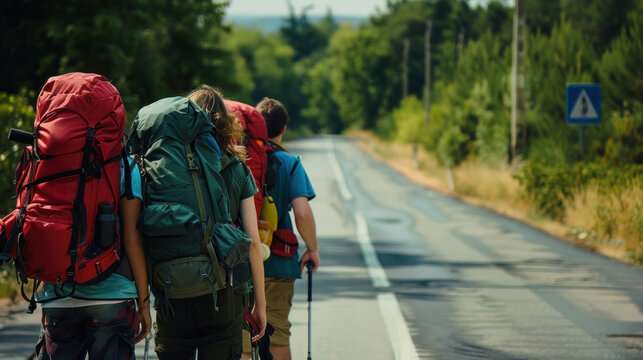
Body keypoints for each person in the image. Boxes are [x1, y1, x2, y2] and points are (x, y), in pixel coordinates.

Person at [169, 86, 266, 356]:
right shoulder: (238, 169)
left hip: (173, 289)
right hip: (226, 291)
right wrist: (261, 305)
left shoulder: (165, 167)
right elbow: (254, 243)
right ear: (226, 124)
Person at [35, 157, 151, 359]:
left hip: (58, 295)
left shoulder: (50, 158)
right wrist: (144, 303)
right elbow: (132, 239)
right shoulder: (124, 164)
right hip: (112, 297)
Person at [256, 97, 319, 360]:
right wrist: (312, 249)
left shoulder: (238, 160)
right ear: (283, 130)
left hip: (240, 266)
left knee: (242, 338)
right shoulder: (290, 164)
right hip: (278, 263)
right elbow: (302, 212)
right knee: (277, 334)